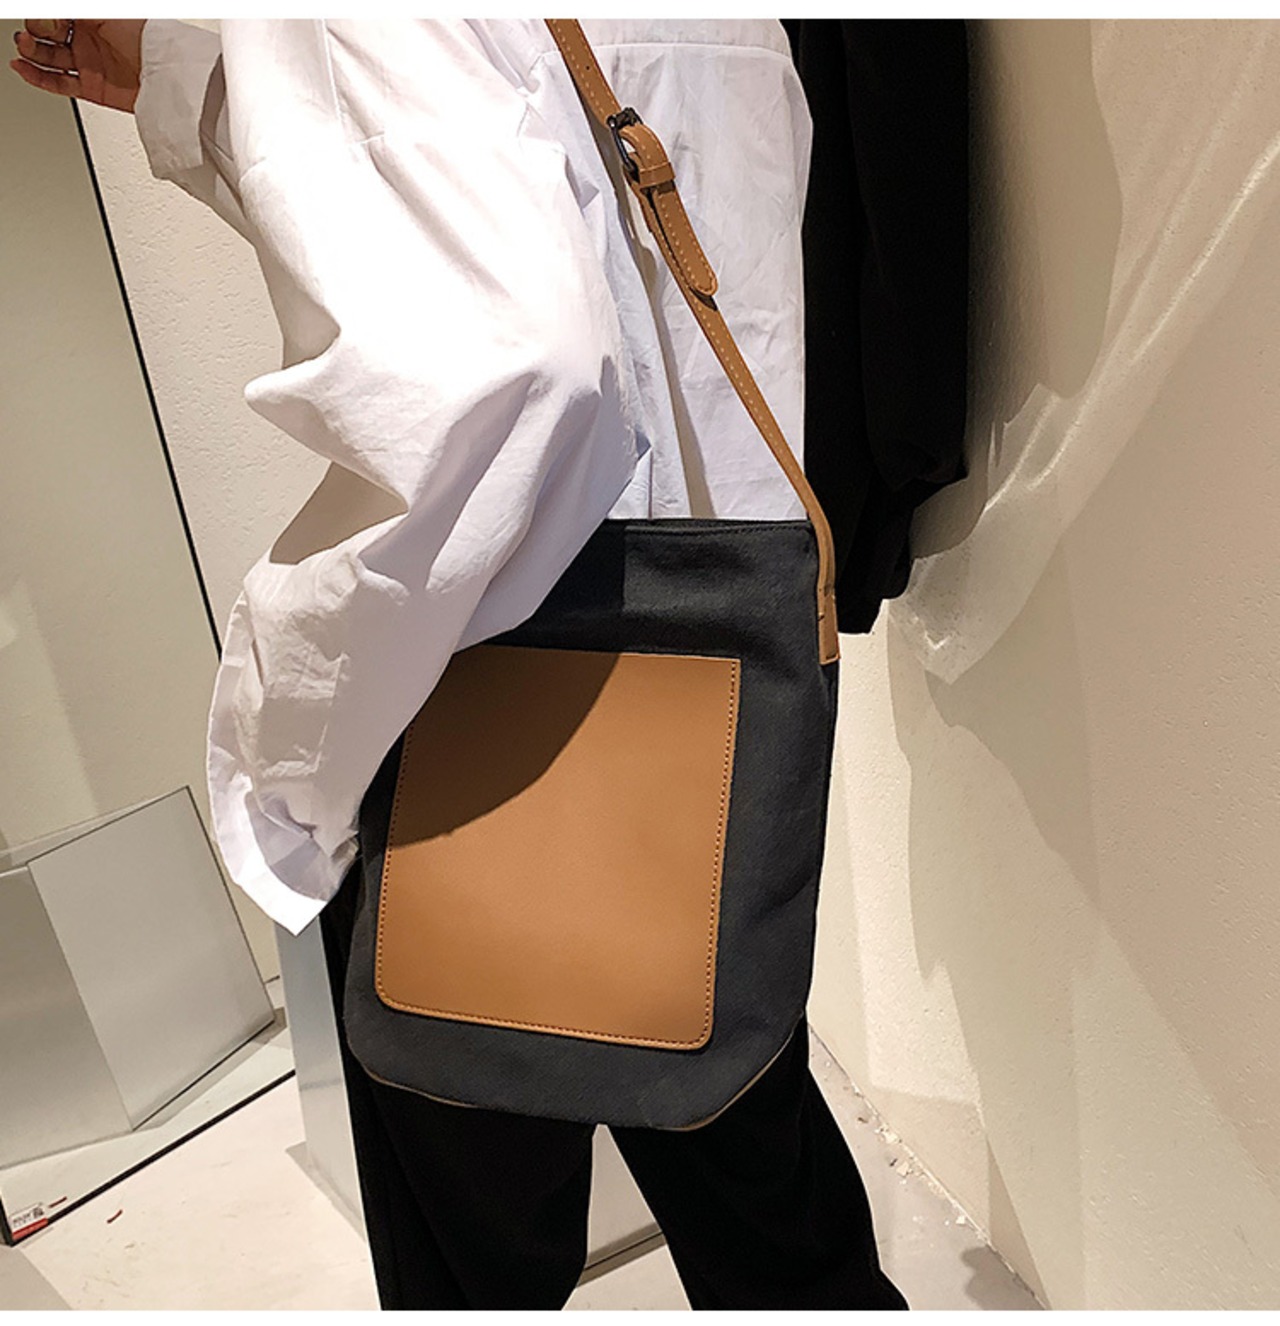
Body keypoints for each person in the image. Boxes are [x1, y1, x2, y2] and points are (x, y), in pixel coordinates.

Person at [10, 19, 909, 1310]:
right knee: (769, 1209)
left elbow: (499, 375)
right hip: (705, 715)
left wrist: (290, 738)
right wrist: (195, 76)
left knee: (471, 1258)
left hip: (470, 724)